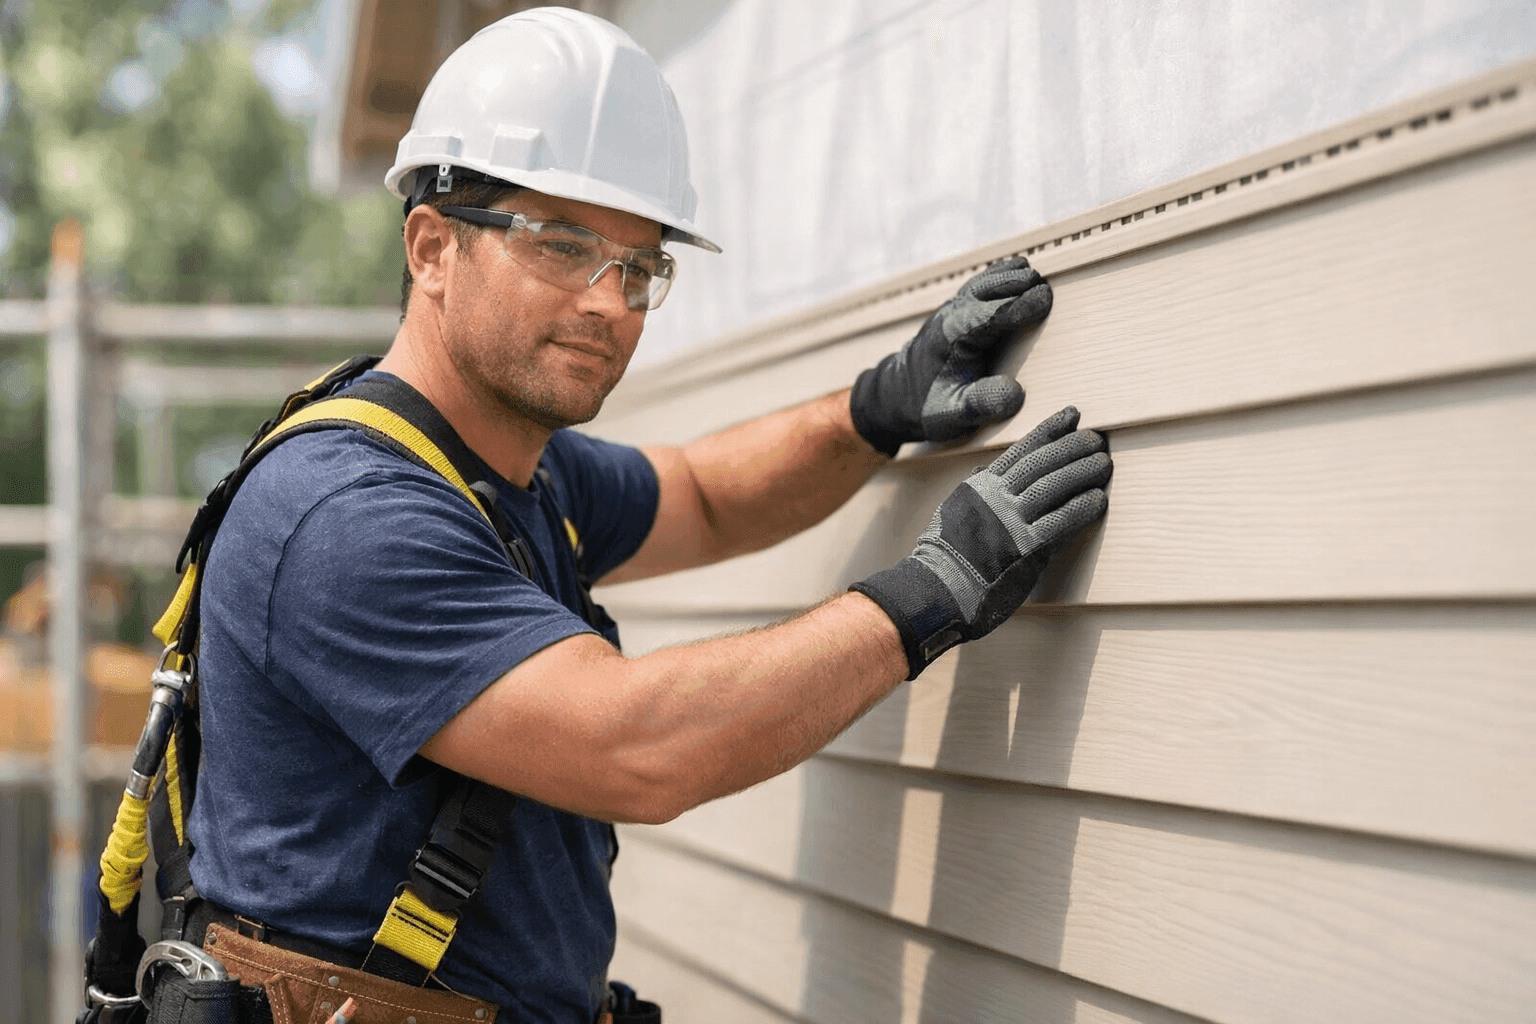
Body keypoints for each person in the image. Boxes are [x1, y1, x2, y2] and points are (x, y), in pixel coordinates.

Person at [180, 8, 1111, 1024]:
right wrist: (934, 589)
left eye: (638, 266)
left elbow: (705, 498)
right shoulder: (345, 516)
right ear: (431, 246)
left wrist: (876, 408)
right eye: (563, 245)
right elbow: (635, 745)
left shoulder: (510, 468)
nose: (610, 302)